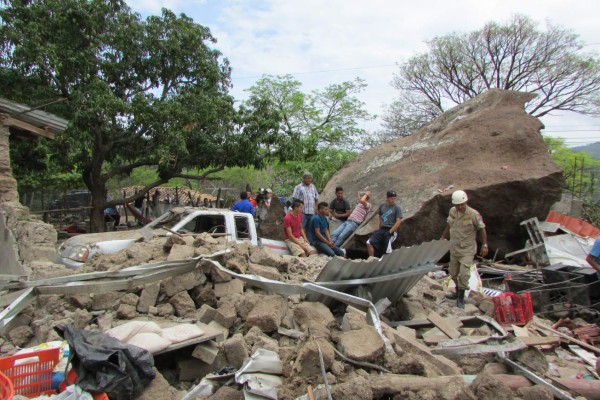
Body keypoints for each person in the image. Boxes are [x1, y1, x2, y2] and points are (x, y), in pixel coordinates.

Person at [440, 190, 488, 309]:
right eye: (458, 205)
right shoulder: (452, 212)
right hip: (455, 247)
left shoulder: (473, 214)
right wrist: (442, 237)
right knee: (453, 273)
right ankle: (457, 291)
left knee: (464, 274)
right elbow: (449, 225)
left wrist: (484, 245)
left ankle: (461, 297)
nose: (460, 207)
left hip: (467, 249)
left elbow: (482, 229)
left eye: (462, 204)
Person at [367, 191, 403, 258]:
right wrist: (378, 227)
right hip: (382, 229)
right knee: (369, 242)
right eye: (391, 198)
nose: (393, 200)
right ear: (387, 198)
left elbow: (398, 222)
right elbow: (380, 217)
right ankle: (371, 259)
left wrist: (390, 232)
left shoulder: (397, 208)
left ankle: (389, 262)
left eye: (394, 198)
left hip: (391, 230)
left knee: (387, 250)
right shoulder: (382, 206)